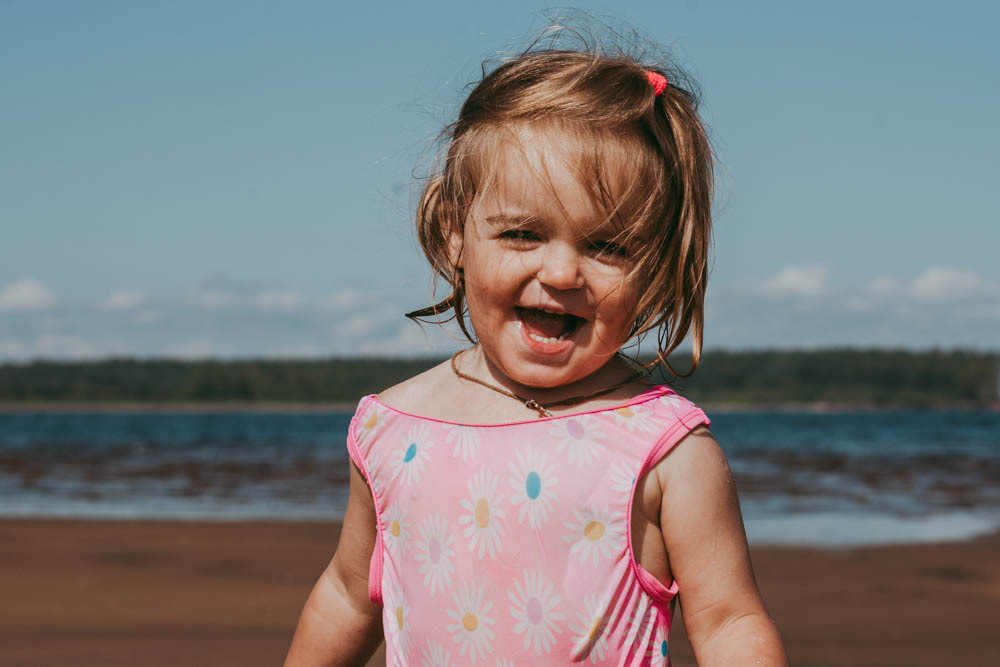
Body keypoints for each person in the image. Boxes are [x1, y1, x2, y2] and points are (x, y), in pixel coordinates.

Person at [285, 23, 788, 667]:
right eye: (522, 234)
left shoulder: (664, 448)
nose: (559, 274)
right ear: (454, 232)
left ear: (657, 267)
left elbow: (728, 623)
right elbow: (352, 597)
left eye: (606, 247)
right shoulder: (392, 427)